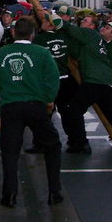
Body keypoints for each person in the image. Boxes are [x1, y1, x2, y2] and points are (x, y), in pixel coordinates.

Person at [0, 17, 63, 208]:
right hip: (35, 105)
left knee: (10, 151)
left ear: (13, 32)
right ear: (33, 34)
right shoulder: (42, 53)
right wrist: (48, 99)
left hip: (11, 106)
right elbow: (53, 79)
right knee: (52, 145)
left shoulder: (3, 53)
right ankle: (54, 192)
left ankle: (9, 195)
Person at [62, 13, 112, 153]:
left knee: (74, 109)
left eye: (86, 21)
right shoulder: (95, 39)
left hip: (100, 80)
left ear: (92, 26)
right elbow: (76, 53)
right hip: (105, 80)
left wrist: (51, 16)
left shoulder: (90, 34)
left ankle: (81, 143)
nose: (83, 22)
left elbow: (67, 27)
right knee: (110, 113)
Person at [31, 13, 79, 152]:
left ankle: (40, 143)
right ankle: (76, 141)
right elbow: (74, 53)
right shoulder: (64, 38)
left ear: (50, 24)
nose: (42, 23)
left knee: (43, 115)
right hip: (65, 79)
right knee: (67, 113)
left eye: (44, 21)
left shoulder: (40, 39)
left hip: (48, 81)